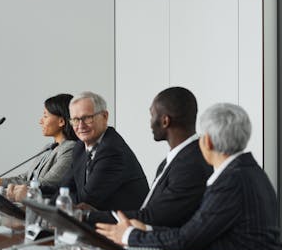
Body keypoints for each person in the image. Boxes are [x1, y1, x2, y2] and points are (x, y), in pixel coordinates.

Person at [96, 103, 282, 250]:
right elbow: (198, 231)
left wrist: (129, 235)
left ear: (207, 141)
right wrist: (147, 229)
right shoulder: (246, 170)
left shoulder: (232, 180)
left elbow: (188, 239)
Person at [84, 87, 212, 227]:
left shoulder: (190, 165)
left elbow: (154, 217)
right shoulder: (176, 159)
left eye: (152, 115)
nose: (150, 122)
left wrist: (90, 216)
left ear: (165, 121)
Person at [46, 91, 148, 209]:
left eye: (87, 118)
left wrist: (61, 199)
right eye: (75, 120)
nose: (80, 125)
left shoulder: (112, 150)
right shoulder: (80, 147)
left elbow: (85, 200)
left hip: (124, 223)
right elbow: (63, 188)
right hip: (95, 220)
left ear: (105, 116)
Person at [0, 94, 77, 201]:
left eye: (45, 116)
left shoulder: (70, 148)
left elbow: (46, 183)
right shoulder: (49, 147)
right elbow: (26, 177)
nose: (40, 121)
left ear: (61, 121)